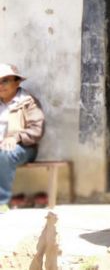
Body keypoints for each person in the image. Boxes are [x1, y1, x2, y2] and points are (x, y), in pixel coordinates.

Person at [0, 64, 45, 213]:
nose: (0, 85)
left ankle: (2, 202)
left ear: (16, 82)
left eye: (5, 81)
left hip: (23, 148)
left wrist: (15, 137)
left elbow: (36, 131)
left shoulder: (28, 102)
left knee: (5, 154)